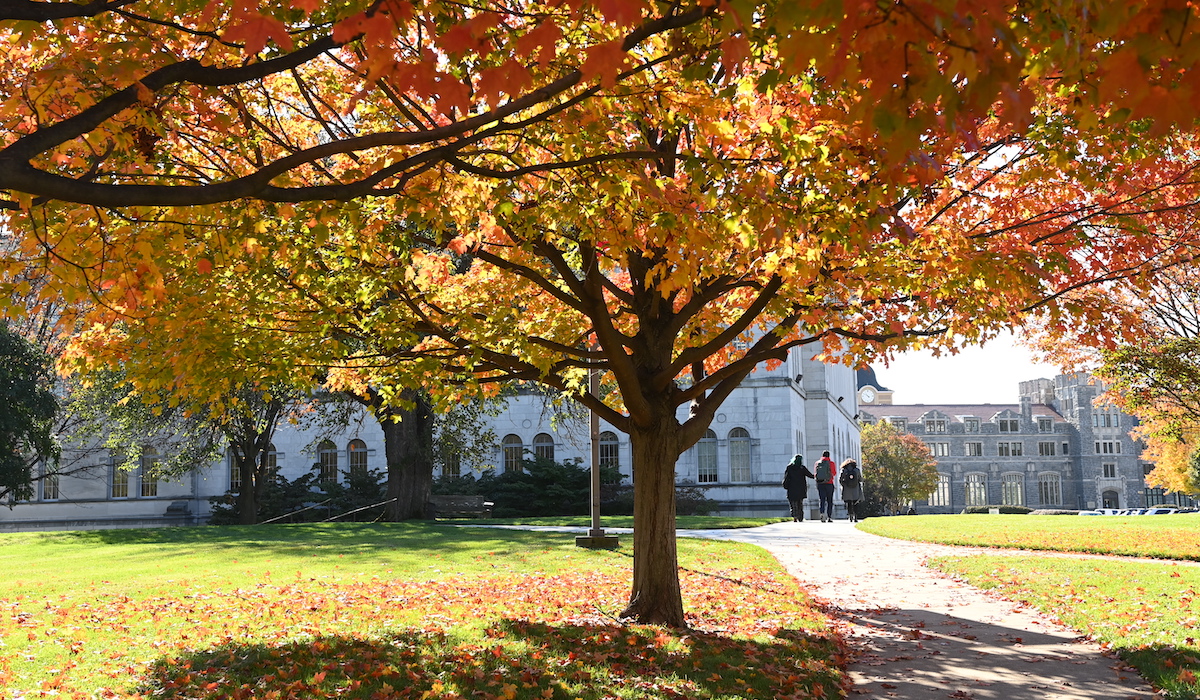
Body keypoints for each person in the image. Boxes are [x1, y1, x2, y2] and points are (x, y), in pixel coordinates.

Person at [781, 455, 815, 522]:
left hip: (791, 489)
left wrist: (785, 485)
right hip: (800, 489)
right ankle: (800, 517)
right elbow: (810, 475)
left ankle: (795, 516)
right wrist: (817, 476)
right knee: (800, 504)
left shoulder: (789, 467)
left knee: (793, 504)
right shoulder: (802, 468)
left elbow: (786, 477)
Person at [813, 450, 837, 522]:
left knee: (822, 499)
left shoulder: (817, 463)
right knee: (830, 500)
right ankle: (829, 516)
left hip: (820, 484)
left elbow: (815, 473)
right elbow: (834, 473)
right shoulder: (831, 463)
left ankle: (822, 513)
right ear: (829, 456)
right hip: (829, 483)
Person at [839, 458, 864, 523]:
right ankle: (856, 516)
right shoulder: (857, 470)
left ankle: (850, 516)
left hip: (847, 489)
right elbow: (860, 479)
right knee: (855, 503)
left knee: (849, 502)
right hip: (855, 488)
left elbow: (840, 479)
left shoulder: (844, 470)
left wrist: (844, 485)